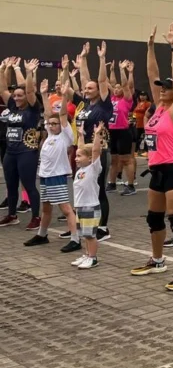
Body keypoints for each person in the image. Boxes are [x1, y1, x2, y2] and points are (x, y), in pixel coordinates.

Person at [131, 23, 173, 291]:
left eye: (165, 88)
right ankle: (157, 260)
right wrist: (149, 47)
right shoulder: (158, 107)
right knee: (154, 219)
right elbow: (151, 73)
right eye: (161, 88)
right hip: (157, 169)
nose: (161, 89)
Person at [25, 67, 79, 248]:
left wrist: (64, 96)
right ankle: (42, 234)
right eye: (50, 124)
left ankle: (75, 239)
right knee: (46, 207)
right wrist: (43, 94)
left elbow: (61, 114)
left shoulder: (65, 135)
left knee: (65, 208)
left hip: (57, 176)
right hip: (46, 176)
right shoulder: (49, 135)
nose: (52, 125)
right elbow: (49, 114)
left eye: (55, 124)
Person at [73, 41, 114, 242]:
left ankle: (103, 228)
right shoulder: (86, 105)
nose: (86, 90)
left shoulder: (105, 106)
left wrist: (101, 58)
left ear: (100, 91)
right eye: (86, 88)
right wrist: (83, 58)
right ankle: (88, 224)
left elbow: (102, 80)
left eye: (91, 88)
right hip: (84, 150)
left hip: (99, 152)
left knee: (99, 190)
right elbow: (84, 78)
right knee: (87, 189)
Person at [0, 57, 43, 231]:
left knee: (29, 185)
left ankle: (36, 217)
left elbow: (31, 91)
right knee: (10, 185)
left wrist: (29, 72)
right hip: (11, 152)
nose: (16, 98)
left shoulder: (32, 109)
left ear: (27, 97)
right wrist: (2, 69)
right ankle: (12, 215)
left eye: (20, 95)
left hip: (27, 152)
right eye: (15, 95)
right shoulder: (13, 107)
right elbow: (3, 89)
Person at [72, 123, 107, 268]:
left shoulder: (93, 168)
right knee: (85, 235)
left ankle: (93, 258)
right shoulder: (81, 169)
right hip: (80, 207)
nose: (76, 158)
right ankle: (87, 255)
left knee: (90, 235)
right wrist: (80, 135)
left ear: (89, 158)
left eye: (79, 156)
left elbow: (96, 151)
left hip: (90, 207)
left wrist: (97, 135)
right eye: (76, 156)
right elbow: (83, 149)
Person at [106, 60, 136, 196]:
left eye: (119, 88)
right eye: (115, 88)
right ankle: (111, 183)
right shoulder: (112, 98)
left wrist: (123, 70)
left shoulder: (127, 99)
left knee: (126, 160)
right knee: (113, 160)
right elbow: (110, 83)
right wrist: (112, 70)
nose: (117, 89)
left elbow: (126, 85)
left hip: (123, 131)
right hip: (111, 132)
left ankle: (130, 185)